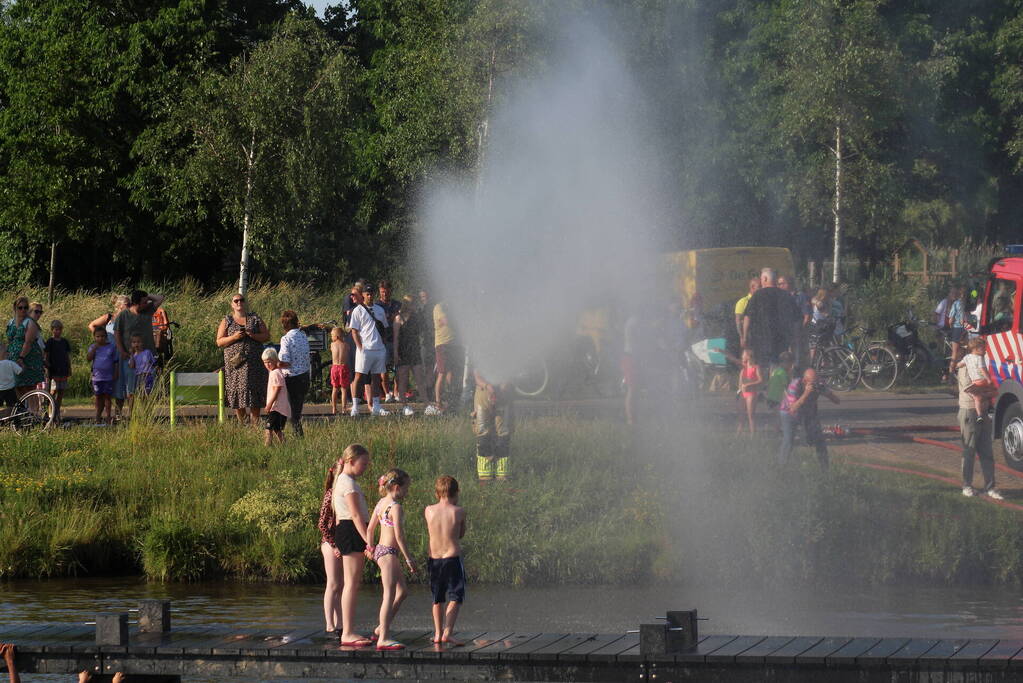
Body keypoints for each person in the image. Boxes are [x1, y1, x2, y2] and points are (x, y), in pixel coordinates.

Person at [366, 468, 416, 651]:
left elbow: (370, 530)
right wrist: (409, 560)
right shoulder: (396, 507)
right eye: (406, 488)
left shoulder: (381, 503)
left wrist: (370, 548)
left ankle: (381, 628)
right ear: (396, 487)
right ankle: (384, 638)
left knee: (402, 592)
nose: (407, 491)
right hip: (388, 553)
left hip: (380, 551)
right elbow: (400, 537)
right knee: (389, 594)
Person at [331, 443, 374, 647]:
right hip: (351, 530)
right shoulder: (347, 482)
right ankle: (347, 632)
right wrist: (369, 541)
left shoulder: (345, 480)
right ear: (350, 461)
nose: (365, 467)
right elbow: (355, 515)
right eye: (363, 463)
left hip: (349, 530)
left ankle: (347, 629)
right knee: (351, 584)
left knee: (352, 583)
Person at [216, 294, 270, 426]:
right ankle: (243, 424)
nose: (239, 302)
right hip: (236, 365)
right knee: (237, 393)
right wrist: (234, 337)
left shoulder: (255, 318)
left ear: (245, 302)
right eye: (236, 300)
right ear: (232, 304)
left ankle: (255, 423)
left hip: (254, 364)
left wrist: (253, 335)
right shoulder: (227, 320)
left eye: (242, 300)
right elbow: (219, 341)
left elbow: (266, 336)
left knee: (254, 393)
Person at [424, 475, 466, 646]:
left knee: (437, 598)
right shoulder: (459, 511)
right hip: (452, 557)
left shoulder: (429, 510)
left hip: (434, 559)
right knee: (456, 596)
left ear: (437, 493)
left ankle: (437, 633)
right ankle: (447, 632)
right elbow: (461, 534)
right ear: (456, 492)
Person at [956, 349, 1003, 499]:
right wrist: (989, 392)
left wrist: (989, 392)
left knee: (987, 452)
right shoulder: (965, 368)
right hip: (970, 412)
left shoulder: (980, 368)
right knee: (969, 451)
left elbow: (991, 389)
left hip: (983, 412)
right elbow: (973, 391)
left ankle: (990, 487)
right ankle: (967, 486)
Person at [114, 290, 165, 419]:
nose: (147, 303)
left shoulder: (148, 310)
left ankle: (146, 415)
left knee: (146, 389)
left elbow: (160, 298)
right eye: (143, 302)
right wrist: (122, 351)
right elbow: (117, 334)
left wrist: (147, 296)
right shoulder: (124, 315)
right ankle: (128, 415)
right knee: (130, 388)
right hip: (130, 356)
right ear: (136, 303)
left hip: (147, 357)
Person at [777, 367, 839, 467]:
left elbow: (837, 401)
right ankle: (781, 466)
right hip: (788, 413)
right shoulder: (795, 385)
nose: (815, 384)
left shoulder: (820, 384)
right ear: (805, 380)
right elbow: (793, 409)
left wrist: (828, 393)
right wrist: (806, 393)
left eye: (817, 381)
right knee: (789, 439)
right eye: (812, 382)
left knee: (820, 440)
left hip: (808, 412)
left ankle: (825, 468)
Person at [742, 268, 802, 367]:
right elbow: (797, 319)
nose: (761, 282)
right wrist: (794, 337)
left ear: (765, 279)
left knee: (762, 368)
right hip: (782, 341)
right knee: (779, 367)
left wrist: (744, 337)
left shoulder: (757, 295)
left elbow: (747, 317)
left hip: (761, 340)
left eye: (761, 279)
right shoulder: (787, 295)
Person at [89, 294, 130, 420]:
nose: (129, 307)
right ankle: (100, 414)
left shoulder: (128, 319)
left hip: (121, 355)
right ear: (119, 306)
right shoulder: (109, 317)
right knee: (103, 388)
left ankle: (117, 413)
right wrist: (100, 340)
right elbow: (92, 325)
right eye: (127, 305)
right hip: (106, 355)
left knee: (120, 384)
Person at [349, 291, 389, 417]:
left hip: (378, 349)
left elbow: (385, 327)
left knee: (376, 377)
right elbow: (354, 331)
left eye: (372, 294)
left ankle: (376, 406)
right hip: (365, 349)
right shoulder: (358, 310)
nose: (370, 296)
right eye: (367, 294)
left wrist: (383, 343)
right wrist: (360, 347)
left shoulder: (379, 309)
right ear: (363, 296)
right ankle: (355, 407)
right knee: (359, 376)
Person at [473, 370, 514, 482]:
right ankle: (485, 474)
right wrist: (488, 386)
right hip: (483, 394)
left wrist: (501, 389)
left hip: (503, 395)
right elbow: (477, 376)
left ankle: (502, 474)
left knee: (503, 433)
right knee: (483, 432)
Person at [318, 461, 342, 639]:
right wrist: (332, 544)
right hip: (329, 544)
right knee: (332, 584)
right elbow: (322, 524)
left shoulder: (340, 494)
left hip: (340, 544)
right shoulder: (330, 495)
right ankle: (329, 625)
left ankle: (340, 623)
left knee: (340, 585)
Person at [278, 310, 310, 436]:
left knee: (289, 412)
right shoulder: (303, 336)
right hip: (304, 376)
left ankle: (293, 436)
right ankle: (296, 436)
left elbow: (285, 361)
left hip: (292, 378)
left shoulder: (286, 339)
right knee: (297, 411)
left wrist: (275, 363)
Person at [427, 301, 461, 415]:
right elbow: (445, 321)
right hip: (442, 344)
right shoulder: (439, 307)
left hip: (453, 344)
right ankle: (438, 403)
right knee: (442, 372)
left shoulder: (452, 306)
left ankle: (451, 399)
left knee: (451, 372)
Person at [394, 296, 426, 416]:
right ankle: (404, 406)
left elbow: (422, 331)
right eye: (411, 303)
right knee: (403, 380)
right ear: (406, 304)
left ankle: (426, 404)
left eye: (414, 303)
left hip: (415, 351)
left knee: (420, 379)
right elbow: (396, 338)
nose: (413, 305)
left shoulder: (416, 317)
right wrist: (396, 353)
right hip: (404, 352)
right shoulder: (399, 318)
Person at [6, 297, 43, 398]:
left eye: (25, 308)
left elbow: (28, 342)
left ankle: (34, 411)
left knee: (29, 388)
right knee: (17, 386)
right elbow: (9, 341)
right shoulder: (10, 323)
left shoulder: (29, 322)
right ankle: (22, 411)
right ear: (15, 308)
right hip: (13, 358)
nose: (23, 310)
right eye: (20, 307)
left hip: (28, 358)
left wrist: (21, 358)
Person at [957, 337, 998, 423]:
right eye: (983, 348)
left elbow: (960, 365)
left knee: (977, 399)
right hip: (982, 380)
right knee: (995, 392)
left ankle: (979, 415)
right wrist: (989, 379)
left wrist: (956, 365)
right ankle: (990, 408)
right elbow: (983, 369)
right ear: (975, 349)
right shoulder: (979, 358)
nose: (985, 351)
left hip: (975, 383)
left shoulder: (967, 357)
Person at [87, 326, 118, 425]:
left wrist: (116, 373)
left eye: (103, 336)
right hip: (97, 377)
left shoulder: (111, 347)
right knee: (98, 397)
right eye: (98, 336)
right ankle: (98, 416)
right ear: (94, 337)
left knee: (107, 397)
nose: (100, 338)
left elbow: (115, 361)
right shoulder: (93, 347)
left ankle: (108, 416)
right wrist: (94, 349)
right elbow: (88, 358)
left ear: (106, 337)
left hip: (108, 377)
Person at [376, 281, 401, 402]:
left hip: (396, 340)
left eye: (386, 291)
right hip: (383, 341)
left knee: (399, 368)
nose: (385, 294)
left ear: (390, 291)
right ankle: (387, 393)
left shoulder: (397, 304)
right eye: (382, 291)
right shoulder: (376, 305)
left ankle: (396, 391)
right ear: (379, 291)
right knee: (383, 368)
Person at [261, 347, 290, 446]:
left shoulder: (275, 373)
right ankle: (284, 445)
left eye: (269, 362)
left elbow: (277, 390)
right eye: (265, 362)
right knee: (277, 429)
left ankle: (267, 446)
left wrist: (269, 404)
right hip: (279, 407)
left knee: (268, 429)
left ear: (275, 360)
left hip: (276, 407)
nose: (267, 365)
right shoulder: (276, 372)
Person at [44, 319, 71, 419]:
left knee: (61, 391)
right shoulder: (50, 341)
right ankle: (50, 412)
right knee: (53, 392)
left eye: (59, 329)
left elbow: (67, 356)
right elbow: (46, 355)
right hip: (53, 370)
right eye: (56, 329)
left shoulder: (64, 342)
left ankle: (57, 412)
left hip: (63, 369)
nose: (57, 331)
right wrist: (47, 368)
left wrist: (69, 367)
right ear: (52, 330)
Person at [736, 348, 763, 434]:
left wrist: (749, 384)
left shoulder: (756, 367)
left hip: (751, 393)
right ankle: (738, 435)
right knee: (741, 415)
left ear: (748, 356)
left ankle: (753, 436)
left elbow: (761, 380)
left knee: (751, 416)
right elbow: (733, 359)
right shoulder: (743, 367)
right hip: (742, 393)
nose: (741, 356)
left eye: (743, 355)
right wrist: (723, 352)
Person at [329, 326, 351, 415]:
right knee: (344, 389)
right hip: (343, 367)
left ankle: (334, 408)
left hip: (334, 368)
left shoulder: (332, 345)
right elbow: (348, 351)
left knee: (335, 389)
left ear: (336, 336)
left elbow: (332, 351)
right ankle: (344, 409)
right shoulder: (346, 345)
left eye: (332, 336)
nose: (331, 338)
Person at [0, 349, 22, 416]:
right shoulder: (10, 363)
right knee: (11, 406)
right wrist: (23, 365)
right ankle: (10, 416)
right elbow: (20, 371)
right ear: (6, 354)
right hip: (10, 388)